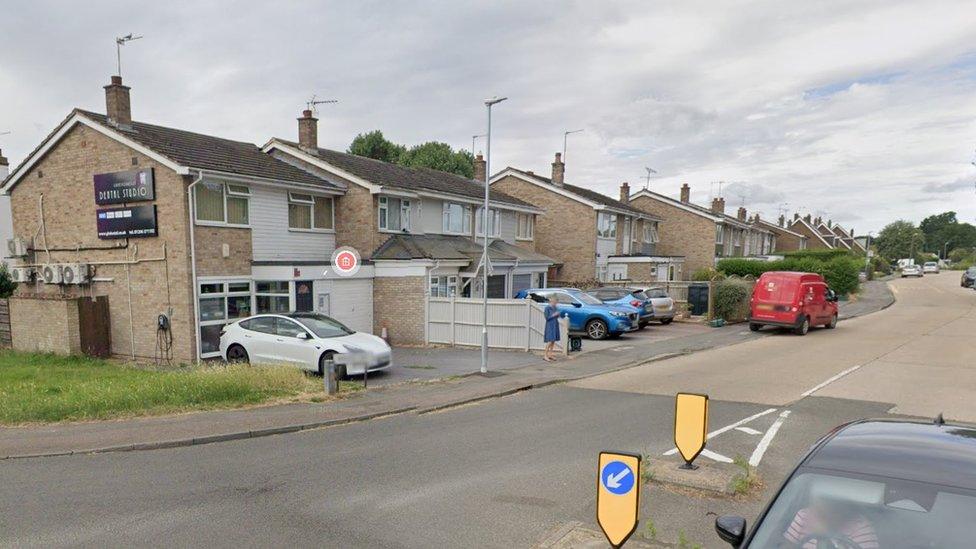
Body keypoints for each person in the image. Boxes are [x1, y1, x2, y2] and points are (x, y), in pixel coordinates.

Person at [783, 496, 878, 548]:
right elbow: (787, 546)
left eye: (829, 514)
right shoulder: (804, 516)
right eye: (819, 513)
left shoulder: (860, 527)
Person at [543, 296, 561, 362]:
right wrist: (554, 315)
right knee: (550, 340)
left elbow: (558, 316)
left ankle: (550, 354)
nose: (556, 303)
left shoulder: (555, 307)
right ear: (551, 301)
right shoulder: (547, 308)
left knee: (553, 340)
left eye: (556, 302)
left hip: (555, 324)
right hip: (550, 325)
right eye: (555, 302)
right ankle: (545, 355)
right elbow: (547, 317)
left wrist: (558, 314)